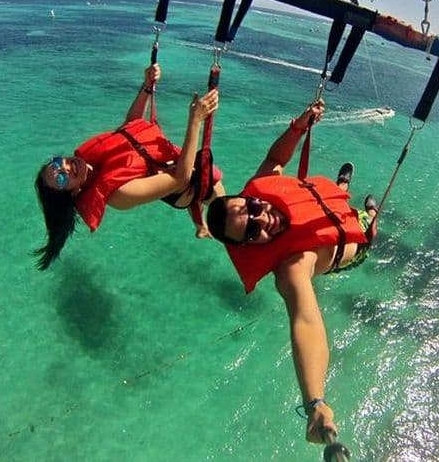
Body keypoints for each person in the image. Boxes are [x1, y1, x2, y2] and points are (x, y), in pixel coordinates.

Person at [206, 99, 378, 444]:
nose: (262, 217)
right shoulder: (292, 268)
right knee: (372, 220)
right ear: (250, 246)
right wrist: (315, 401)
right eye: (253, 231)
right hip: (355, 244)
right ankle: (364, 205)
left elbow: (275, 161)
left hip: (323, 210)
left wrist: (298, 127)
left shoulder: (260, 194)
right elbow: (305, 321)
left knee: (335, 196)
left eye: (253, 207)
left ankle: (342, 187)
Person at [34, 63, 223, 270]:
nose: (65, 167)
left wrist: (147, 86)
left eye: (57, 163)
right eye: (62, 178)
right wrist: (196, 120)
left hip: (171, 164)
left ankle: (200, 225)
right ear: (72, 193)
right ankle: (210, 227)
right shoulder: (118, 195)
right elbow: (180, 178)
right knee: (218, 195)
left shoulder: (92, 158)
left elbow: (130, 128)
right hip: (183, 188)